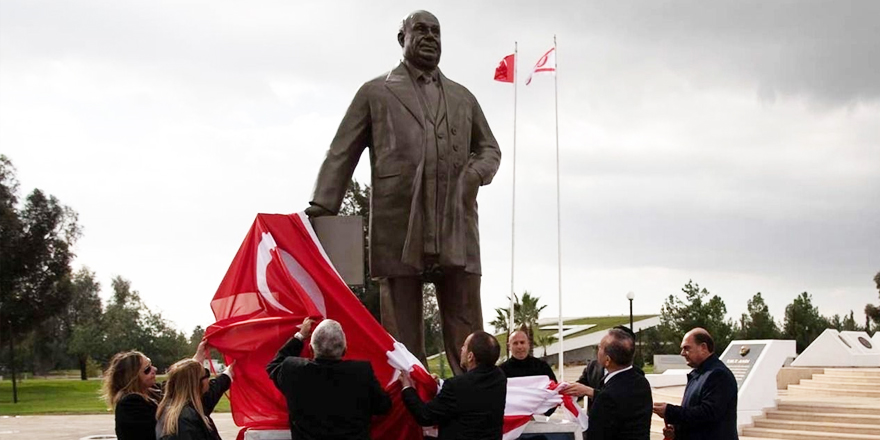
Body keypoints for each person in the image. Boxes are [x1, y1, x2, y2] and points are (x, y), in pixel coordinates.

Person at [305, 9, 502, 375]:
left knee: (465, 323)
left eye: (436, 32)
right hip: (398, 224)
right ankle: (411, 393)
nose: (430, 38)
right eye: (421, 30)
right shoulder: (375, 92)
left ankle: (474, 392)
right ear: (402, 39)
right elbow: (342, 150)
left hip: (455, 222)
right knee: (401, 335)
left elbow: (490, 149)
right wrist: (322, 206)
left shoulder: (463, 98)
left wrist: (474, 175)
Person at [267, 317, 391, 439]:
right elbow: (383, 406)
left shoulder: (293, 370)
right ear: (344, 350)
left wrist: (300, 336)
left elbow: (274, 365)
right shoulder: (362, 372)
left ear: (310, 348)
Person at [399, 330, 507, 440]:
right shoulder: (499, 378)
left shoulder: (456, 386)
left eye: (464, 346)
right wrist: (440, 383)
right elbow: (470, 393)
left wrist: (408, 389)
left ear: (470, 356)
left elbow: (425, 416)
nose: (461, 349)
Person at [102, 342, 210, 440]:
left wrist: (196, 361)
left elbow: (180, 385)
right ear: (132, 377)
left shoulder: (151, 392)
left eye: (151, 365)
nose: (154, 369)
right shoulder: (130, 404)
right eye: (147, 370)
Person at [652, 328, 738, 440]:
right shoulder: (699, 374)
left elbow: (708, 413)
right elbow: (694, 415)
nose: (682, 353)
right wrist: (676, 431)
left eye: (687, 348)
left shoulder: (718, 375)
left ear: (703, 347)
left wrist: (670, 412)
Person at [578, 329, 652, 440]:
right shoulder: (642, 383)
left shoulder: (607, 396)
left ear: (607, 360)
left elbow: (597, 434)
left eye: (600, 348)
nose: (598, 350)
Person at [564, 325, 643, 411]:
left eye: (601, 347)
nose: (598, 350)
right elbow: (580, 387)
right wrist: (563, 390)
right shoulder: (593, 367)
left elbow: (621, 402)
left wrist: (590, 392)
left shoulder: (636, 377)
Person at [155, 359, 233, 440]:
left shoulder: (177, 410)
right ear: (196, 383)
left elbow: (213, 392)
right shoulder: (185, 419)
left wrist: (227, 374)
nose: (209, 379)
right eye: (206, 373)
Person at [499, 328, 557, 415]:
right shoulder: (501, 371)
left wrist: (545, 413)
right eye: (515, 343)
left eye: (522, 342)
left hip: (540, 417)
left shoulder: (542, 366)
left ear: (528, 344)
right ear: (509, 346)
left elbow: (554, 391)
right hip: (512, 417)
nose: (519, 347)